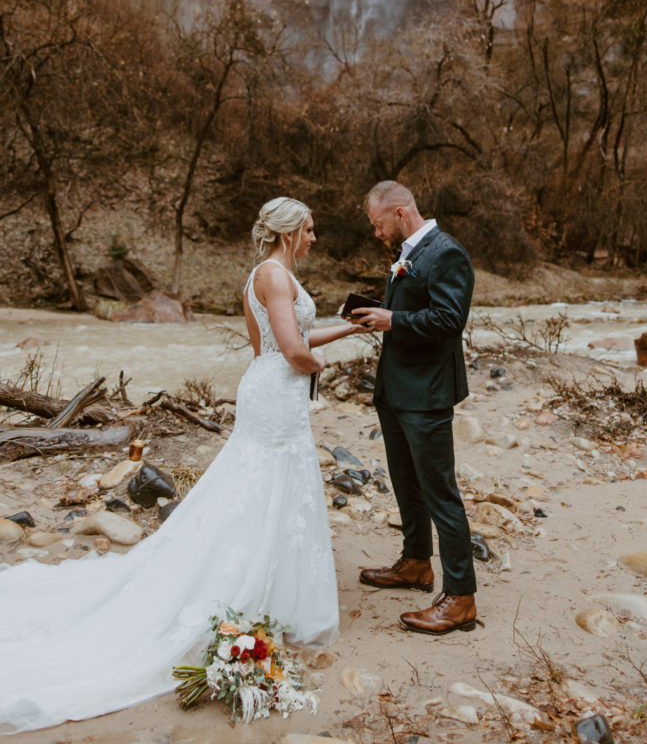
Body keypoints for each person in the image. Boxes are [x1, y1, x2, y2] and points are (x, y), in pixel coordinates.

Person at [0, 197, 361, 734]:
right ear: (288, 232)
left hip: (268, 390)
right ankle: (246, 591)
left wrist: (350, 330)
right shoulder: (277, 277)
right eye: (310, 229)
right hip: (276, 395)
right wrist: (318, 363)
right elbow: (291, 349)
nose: (314, 237)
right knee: (266, 486)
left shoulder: (263, 274)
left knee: (267, 488)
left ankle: (269, 591)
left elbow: (278, 346)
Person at [350, 181, 478, 635]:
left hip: (426, 394)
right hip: (396, 390)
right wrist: (379, 314)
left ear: (400, 213)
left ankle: (461, 597)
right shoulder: (410, 252)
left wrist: (392, 319)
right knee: (406, 483)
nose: (377, 232)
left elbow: (449, 320)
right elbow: (412, 309)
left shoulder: (446, 253)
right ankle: (416, 563)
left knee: (440, 492)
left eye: (378, 223)